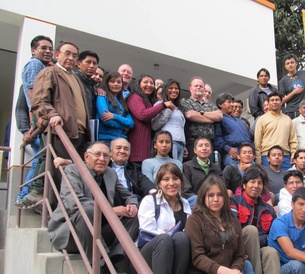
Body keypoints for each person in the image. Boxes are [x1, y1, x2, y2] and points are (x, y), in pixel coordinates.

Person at [47, 142, 139, 272]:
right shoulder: (73, 170)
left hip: (99, 232)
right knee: (88, 210)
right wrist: (111, 211)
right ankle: (100, 264)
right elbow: (74, 202)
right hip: (72, 233)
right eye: (97, 154)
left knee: (133, 215)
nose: (102, 159)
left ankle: (112, 259)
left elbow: (128, 195)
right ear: (86, 156)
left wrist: (132, 204)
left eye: (106, 156)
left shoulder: (110, 173)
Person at [26, 42, 91, 206]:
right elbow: (39, 101)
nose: (70, 58)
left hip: (81, 134)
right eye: (67, 53)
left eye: (74, 55)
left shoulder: (76, 78)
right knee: (58, 175)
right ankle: (53, 213)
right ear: (57, 54)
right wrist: (52, 115)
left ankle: (72, 213)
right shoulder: (49, 72)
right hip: (61, 132)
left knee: (79, 176)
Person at [185, 176, 253, 274]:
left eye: (220, 195)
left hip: (230, 271)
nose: (216, 199)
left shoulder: (233, 221)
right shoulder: (194, 220)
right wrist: (223, 271)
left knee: (247, 265)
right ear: (203, 197)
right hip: (204, 272)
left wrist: (235, 270)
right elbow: (197, 256)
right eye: (211, 195)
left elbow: (239, 255)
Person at [15, 35, 53, 204]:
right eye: (43, 48)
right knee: (41, 155)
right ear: (33, 50)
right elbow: (33, 92)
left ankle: (25, 194)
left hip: (39, 117)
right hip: (40, 117)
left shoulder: (42, 66)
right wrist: (39, 117)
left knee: (42, 155)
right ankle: (24, 195)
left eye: (50, 49)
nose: (47, 51)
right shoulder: (34, 64)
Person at [137, 162, 191, 274]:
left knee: (182, 237)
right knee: (164, 239)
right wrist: (170, 234)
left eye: (175, 178)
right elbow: (147, 230)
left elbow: (189, 231)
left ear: (181, 181)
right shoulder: (150, 201)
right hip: (149, 255)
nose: (171, 183)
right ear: (159, 184)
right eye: (166, 179)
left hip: (174, 255)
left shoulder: (184, 203)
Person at [230, 165, 280, 274]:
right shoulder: (234, 201)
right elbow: (231, 226)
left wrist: (259, 240)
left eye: (259, 183)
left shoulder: (269, 209)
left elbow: (273, 236)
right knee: (251, 230)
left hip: (259, 248)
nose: (256, 186)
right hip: (238, 245)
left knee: (270, 252)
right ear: (244, 185)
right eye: (252, 182)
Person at [127, 74, 174, 163]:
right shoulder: (135, 97)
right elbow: (142, 114)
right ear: (138, 84)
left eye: (152, 83)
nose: (149, 85)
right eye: (145, 82)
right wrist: (163, 105)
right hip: (136, 149)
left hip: (146, 149)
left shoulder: (147, 101)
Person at [179, 77, 222, 161]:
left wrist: (201, 113)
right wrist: (211, 119)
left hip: (209, 143)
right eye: (196, 86)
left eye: (201, 86)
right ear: (190, 88)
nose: (198, 87)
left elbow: (219, 116)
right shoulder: (185, 102)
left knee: (210, 170)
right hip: (193, 142)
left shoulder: (211, 105)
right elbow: (190, 115)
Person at [254, 92, 297, 171]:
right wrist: (258, 158)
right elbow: (257, 141)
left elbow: (293, 140)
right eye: (272, 100)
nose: (274, 102)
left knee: (286, 180)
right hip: (266, 157)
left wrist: (294, 154)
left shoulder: (288, 119)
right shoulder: (262, 119)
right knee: (269, 181)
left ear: (281, 102)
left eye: (277, 100)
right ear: (268, 103)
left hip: (285, 157)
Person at [151, 79, 187, 162]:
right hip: (169, 143)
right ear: (165, 90)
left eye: (176, 88)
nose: (174, 90)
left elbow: (180, 127)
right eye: (171, 88)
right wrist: (168, 110)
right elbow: (154, 125)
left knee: (178, 171)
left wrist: (184, 145)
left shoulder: (179, 108)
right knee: (170, 170)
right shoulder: (159, 104)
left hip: (180, 144)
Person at [182, 137, 222, 208]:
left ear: (211, 150)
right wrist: (203, 200)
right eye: (200, 146)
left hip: (213, 201)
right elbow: (186, 191)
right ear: (195, 150)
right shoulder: (187, 166)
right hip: (195, 202)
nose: (204, 148)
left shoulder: (216, 169)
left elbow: (221, 187)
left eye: (207, 145)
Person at [214, 93, 252, 168]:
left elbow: (249, 137)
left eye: (232, 102)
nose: (232, 105)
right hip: (232, 155)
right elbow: (217, 137)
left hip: (247, 153)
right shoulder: (219, 118)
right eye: (229, 102)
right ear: (220, 104)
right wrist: (228, 149)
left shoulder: (241, 121)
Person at [96, 71, 134, 144]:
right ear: (107, 83)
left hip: (121, 140)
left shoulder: (123, 103)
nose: (116, 84)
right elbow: (106, 120)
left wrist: (114, 116)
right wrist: (123, 126)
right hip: (106, 140)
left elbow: (131, 123)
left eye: (119, 82)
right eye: (112, 81)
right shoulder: (102, 96)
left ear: (122, 85)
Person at [278, 54, 305, 119]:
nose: (290, 65)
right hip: (292, 111)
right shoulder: (283, 81)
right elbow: (281, 101)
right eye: (287, 63)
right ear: (285, 66)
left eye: (292, 62)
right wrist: (294, 92)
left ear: (296, 63)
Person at [75, 50, 99, 119]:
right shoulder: (73, 79)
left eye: (94, 63)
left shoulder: (93, 85)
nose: (91, 66)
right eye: (88, 62)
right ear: (79, 64)